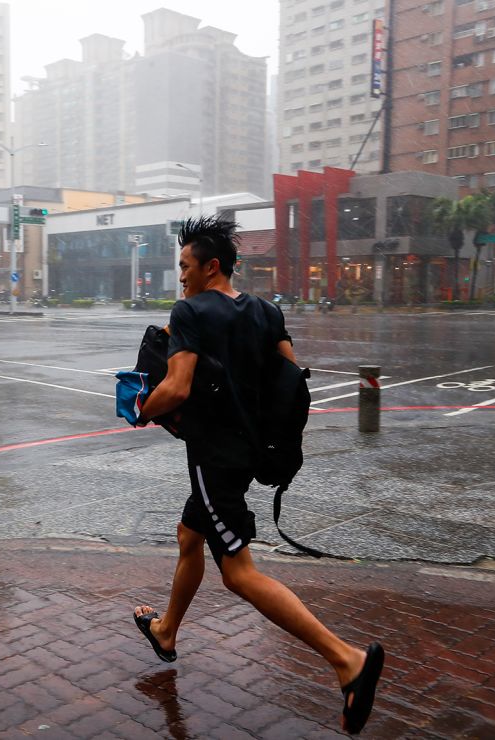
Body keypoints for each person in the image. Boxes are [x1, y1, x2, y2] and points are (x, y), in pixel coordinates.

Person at [131, 215, 385, 735]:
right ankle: (166, 630)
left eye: (185, 266)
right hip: (250, 452)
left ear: (211, 266)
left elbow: (176, 390)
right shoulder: (268, 312)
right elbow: (290, 381)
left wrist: (142, 405)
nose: (180, 277)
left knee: (239, 572)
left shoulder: (190, 312)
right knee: (189, 536)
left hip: (214, 458)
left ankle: (346, 661)